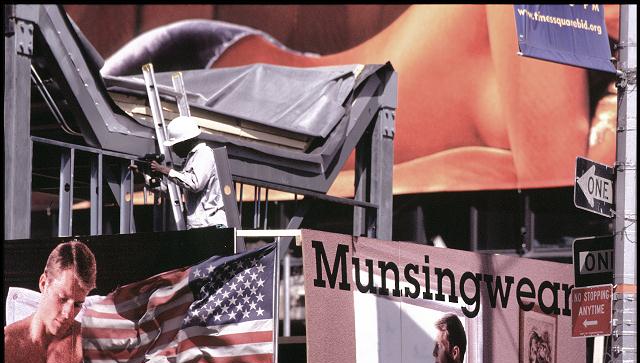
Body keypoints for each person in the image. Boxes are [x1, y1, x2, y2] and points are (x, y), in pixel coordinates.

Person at [101, 5, 619, 195]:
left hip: (290, 151)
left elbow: (552, 186)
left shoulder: (599, 65)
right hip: (221, 80)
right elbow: (560, 193)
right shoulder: (553, 12)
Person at [4, 241, 96, 363]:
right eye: (62, 299)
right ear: (44, 283)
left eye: (78, 304)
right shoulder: (8, 345)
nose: (68, 314)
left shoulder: (86, 347)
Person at [133, 115, 227, 230]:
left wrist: (164, 170)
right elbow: (171, 192)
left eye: (175, 145)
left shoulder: (204, 154)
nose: (173, 149)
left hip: (211, 225)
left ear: (185, 141)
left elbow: (195, 184)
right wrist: (144, 178)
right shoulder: (191, 159)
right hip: (200, 226)